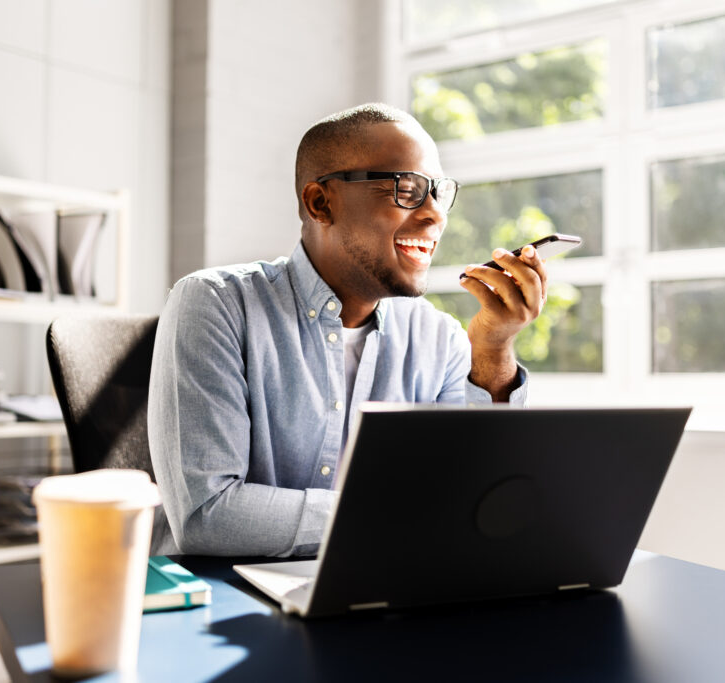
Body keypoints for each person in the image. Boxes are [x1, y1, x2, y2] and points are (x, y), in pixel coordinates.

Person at [148, 103, 550, 556]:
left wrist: (494, 347)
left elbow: (483, 500)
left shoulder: (444, 339)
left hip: (379, 596)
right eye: (407, 188)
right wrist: (399, 515)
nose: (435, 215)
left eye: (439, 192)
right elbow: (209, 516)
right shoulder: (215, 304)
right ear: (320, 203)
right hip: (224, 604)